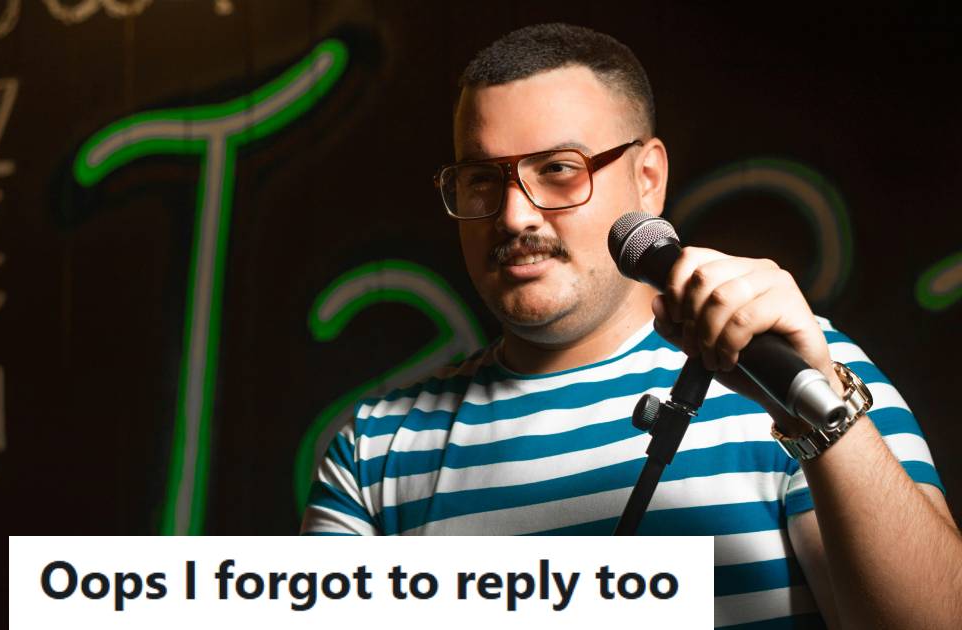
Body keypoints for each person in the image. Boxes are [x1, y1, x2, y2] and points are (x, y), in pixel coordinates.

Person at [299, 23, 960, 628]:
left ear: (648, 179)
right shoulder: (377, 450)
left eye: (558, 171)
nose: (514, 217)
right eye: (481, 180)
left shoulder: (797, 370)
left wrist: (820, 415)